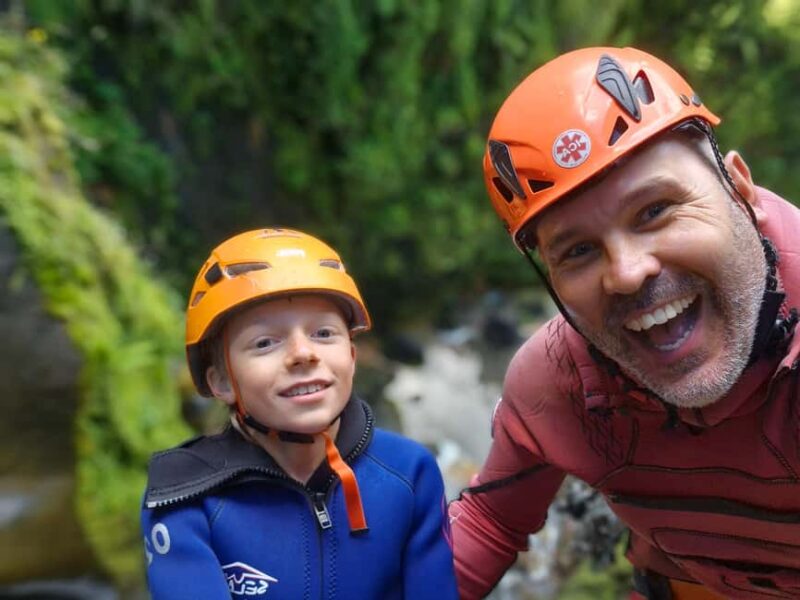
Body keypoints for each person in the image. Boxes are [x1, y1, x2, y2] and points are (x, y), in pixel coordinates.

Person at [448, 46, 800, 600]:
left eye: (655, 210)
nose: (628, 274)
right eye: (579, 251)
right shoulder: (557, 383)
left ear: (741, 189)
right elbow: (490, 521)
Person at [141, 228, 457, 599]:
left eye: (323, 333)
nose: (303, 354)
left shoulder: (409, 473)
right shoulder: (185, 497)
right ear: (222, 382)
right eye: (264, 343)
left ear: (352, 358)